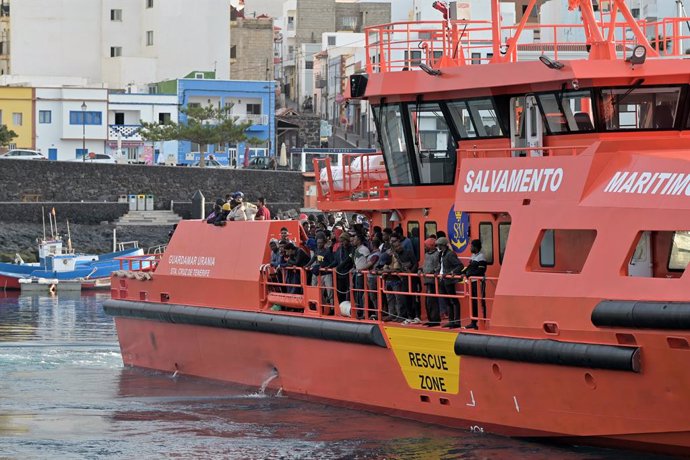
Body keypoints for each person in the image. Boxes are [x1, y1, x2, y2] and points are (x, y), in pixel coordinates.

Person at [436, 237, 464, 328]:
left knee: (453, 301)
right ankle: (451, 321)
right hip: (442, 280)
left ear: (443, 245)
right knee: (447, 301)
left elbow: (460, 265)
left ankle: (456, 321)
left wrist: (451, 272)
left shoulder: (450, 254)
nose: (438, 246)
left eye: (439, 245)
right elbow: (441, 266)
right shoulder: (441, 254)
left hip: (448, 281)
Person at [461, 239, 488, 330]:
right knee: (473, 302)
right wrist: (463, 273)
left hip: (478, 283)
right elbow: (469, 267)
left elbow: (481, 271)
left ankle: (483, 322)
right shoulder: (473, 256)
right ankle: (473, 322)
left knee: (480, 302)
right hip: (472, 282)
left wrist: (470, 274)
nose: (470, 248)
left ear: (476, 247)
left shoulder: (481, 257)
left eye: (472, 246)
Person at [420, 238, 441, 326]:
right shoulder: (426, 255)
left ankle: (435, 319)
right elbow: (424, 264)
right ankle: (430, 318)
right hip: (427, 280)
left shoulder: (437, 254)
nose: (424, 247)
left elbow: (439, 266)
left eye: (426, 246)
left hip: (433, 281)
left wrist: (433, 272)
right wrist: (420, 269)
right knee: (427, 301)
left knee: (432, 301)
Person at [330, 232, 354, 303]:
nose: (342, 243)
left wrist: (338, 267)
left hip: (348, 273)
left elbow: (348, 260)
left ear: (347, 240)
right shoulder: (339, 249)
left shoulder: (352, 249)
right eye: (340, 242)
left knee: (350, 291)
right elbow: (336, 260)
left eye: (343, 241)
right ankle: (341, 306)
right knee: (340, 291)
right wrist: (329, 266)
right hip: (340, 274)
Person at [352, 233, 371, 319]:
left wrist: (364, 269)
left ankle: (364, 311)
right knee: (358, 292)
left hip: (362, 274)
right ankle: (359, 310)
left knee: (362, 293)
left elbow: (369, 260)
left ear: (359, 240)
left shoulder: (365, 249)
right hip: (357, 273)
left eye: (355, 239)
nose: (353, 241)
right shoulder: (356, 249)